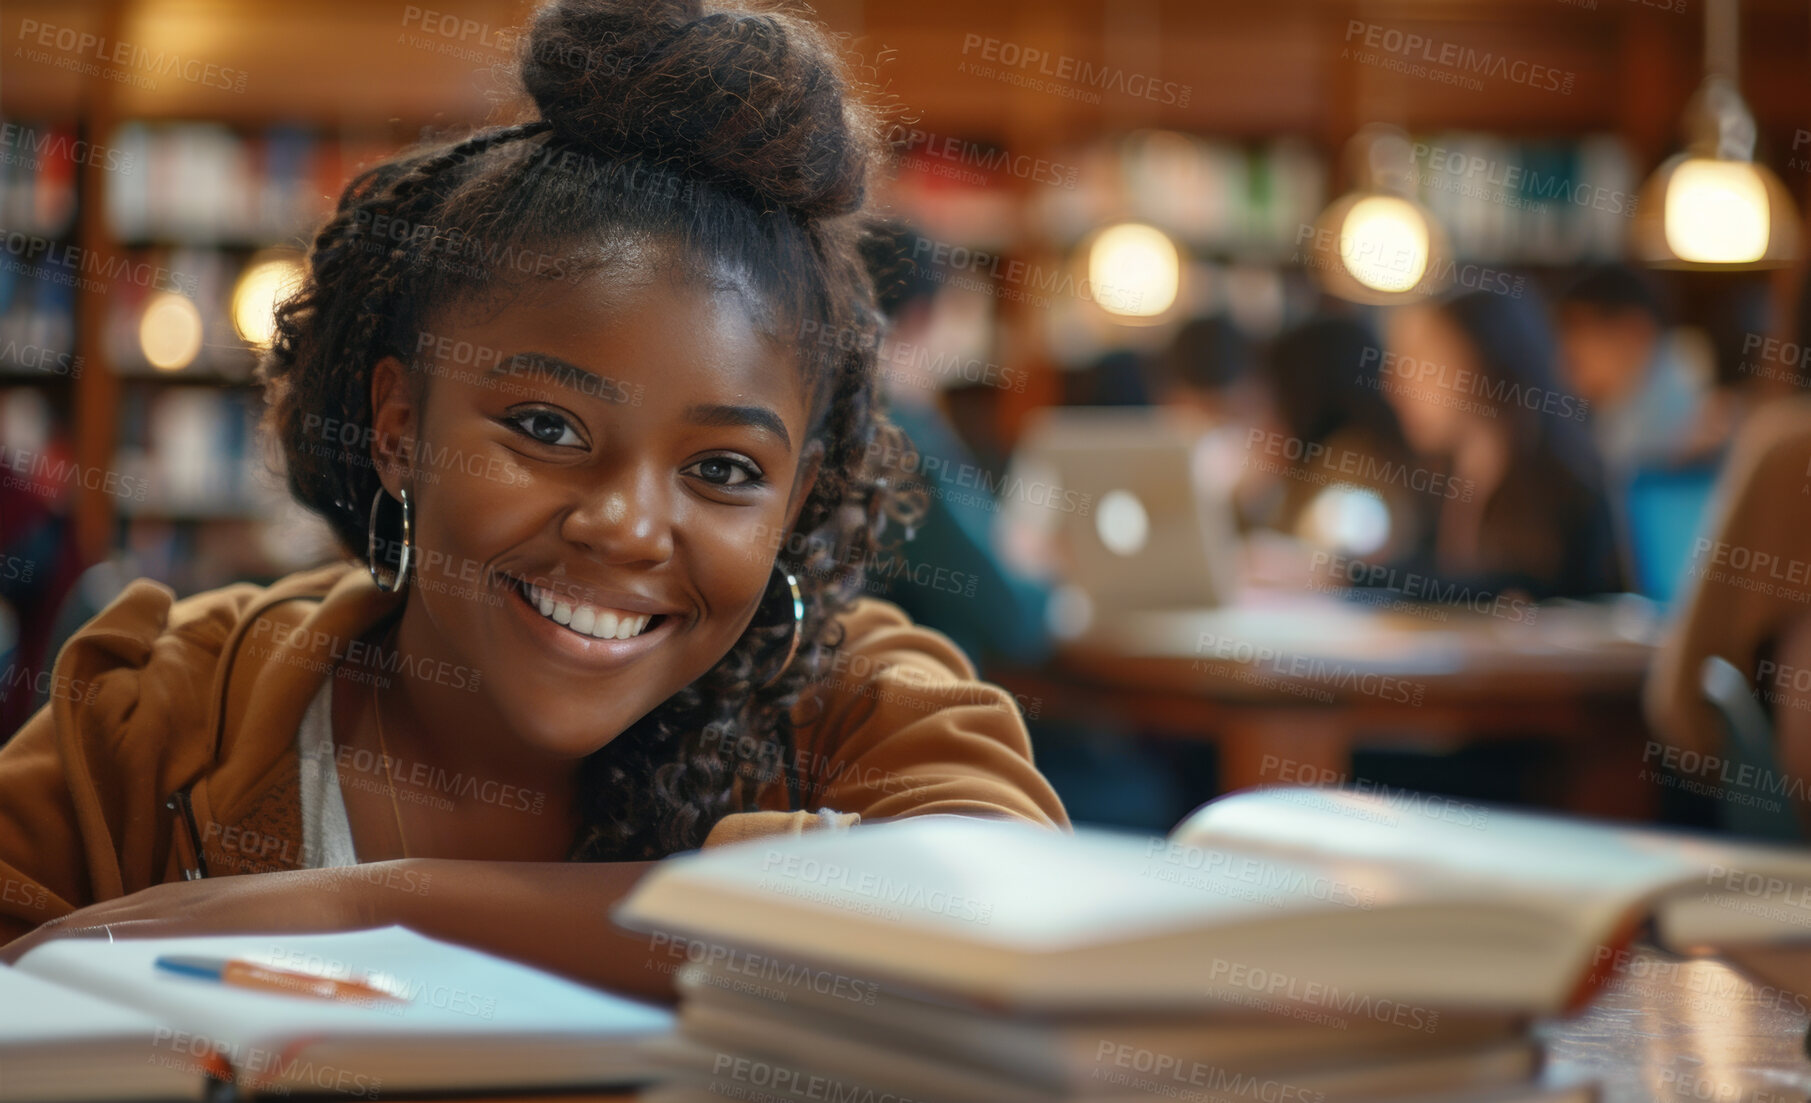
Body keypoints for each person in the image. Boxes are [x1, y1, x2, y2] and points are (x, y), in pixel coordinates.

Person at [0, 0, 1067, 997]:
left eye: (724, 470)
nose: (626, 523)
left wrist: (372, 904)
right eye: (545, 428)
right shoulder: (158, 717)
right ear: (399, 424)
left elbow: (1009, 927)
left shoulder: (861, 710)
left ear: (795, 501)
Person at [1379, 289, 1622, 601]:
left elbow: (1510, 587)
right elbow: (1438, 574)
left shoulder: (1571, 491)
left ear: (1487, 356)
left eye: (1423, 362)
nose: (1396, 386)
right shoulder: (1441, 481)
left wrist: (1353, 576)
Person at [1555, 264, 1713, 479]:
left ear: (1634, 331)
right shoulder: (1606, 427)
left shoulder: (1706, 435)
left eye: (1577, 326)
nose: (1567, 347)